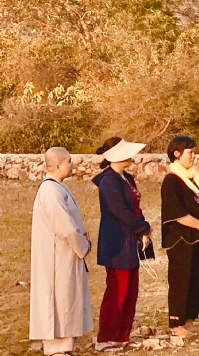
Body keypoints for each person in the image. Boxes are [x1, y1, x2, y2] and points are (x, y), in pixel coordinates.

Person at [29, 147, 93, 356]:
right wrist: (82, 245)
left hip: (67, 253)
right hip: (57, 256)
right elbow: (64, 225)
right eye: (69, 161)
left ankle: (66, 345)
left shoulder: (59, 188)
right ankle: (56, 348)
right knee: (59, 298)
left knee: (69, 297)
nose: (72, 165)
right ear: (58, 165)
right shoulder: (50, 191)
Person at [93, 138, 151, 351]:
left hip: (129, 242)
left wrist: (142, 230)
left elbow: (135, 208)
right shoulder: (109, 181)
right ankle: (105, 337)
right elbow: (120, 212)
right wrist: (142, 228)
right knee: (117, 291)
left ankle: (121, 335)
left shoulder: (126, 178)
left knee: (130, 290)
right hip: (117, 244)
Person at [161, 135, 199, 337]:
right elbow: (176, 212)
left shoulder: (194, 179)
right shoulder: (171, 181)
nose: (194, 156)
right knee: (180, 280)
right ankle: (177, 323)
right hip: (181, 238)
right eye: (190, 152)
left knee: (195, 279)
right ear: (177, 154)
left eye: (194, 152)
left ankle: (190, 319)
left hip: (198, 236)